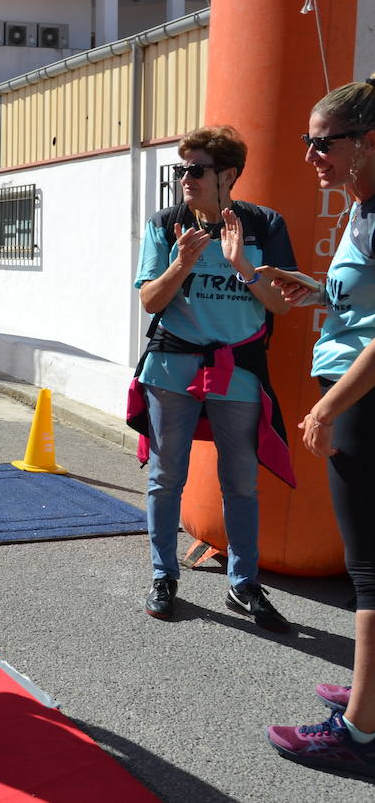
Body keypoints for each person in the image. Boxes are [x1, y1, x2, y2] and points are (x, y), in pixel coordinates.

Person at [127, 125, 297, 630]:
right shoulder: (166, 224)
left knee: (241, 483)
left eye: (195, 170)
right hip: (172, 369)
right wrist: (181, 264)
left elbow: (280, 306)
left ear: (228, 175)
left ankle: (243, 585)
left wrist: (241, 263)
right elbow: (149, 301)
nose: (185, 178)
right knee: (165, 479)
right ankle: (164, 575)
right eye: (181, 169)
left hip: (238, 371)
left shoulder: (264, 225)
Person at [267, 76, 375, 776]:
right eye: (307, 142)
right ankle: (371, 693)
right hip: (349, 391)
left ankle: (359, 730)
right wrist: (312, 287)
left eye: (322, 142)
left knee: (368, 570)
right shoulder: (360, 207)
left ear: (369, 142)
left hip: (361, 401)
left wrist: (327, 408)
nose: (310, 156)